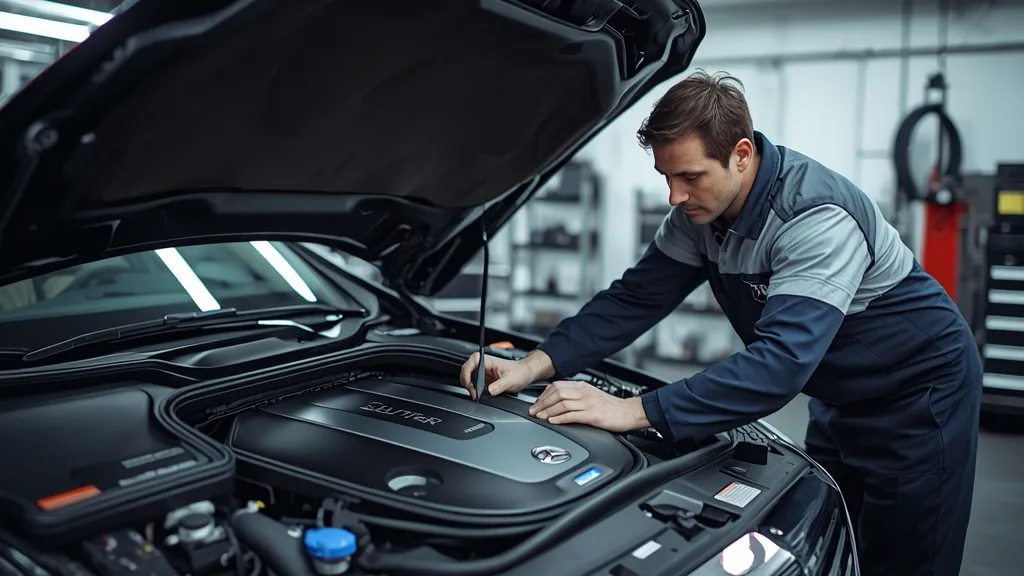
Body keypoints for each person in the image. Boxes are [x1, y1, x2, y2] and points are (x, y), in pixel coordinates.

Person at [459, 70, 981, 576]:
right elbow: (634, 299)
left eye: (690, 176)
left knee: (903, 558)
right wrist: (533, 364)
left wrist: (632, 410)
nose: (675, 196)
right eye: (666, 177)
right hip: (840, 393)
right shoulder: (698, 217)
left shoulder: (815, 218)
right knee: (833, 540)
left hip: (919, 396)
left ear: (742, 154)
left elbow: (779, 365)